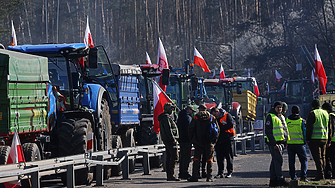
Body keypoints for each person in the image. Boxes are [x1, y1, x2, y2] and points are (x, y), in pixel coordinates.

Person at [188, 104, 218, 182]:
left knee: (196, 159)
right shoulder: (211, 117)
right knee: (209, 159)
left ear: (200, 109)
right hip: (209, 142)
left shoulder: (196, 117)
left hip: (198, 142)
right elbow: (217, 130)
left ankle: (195, 176)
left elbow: (191, 129)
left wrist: (192, 140)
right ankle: (209, 177)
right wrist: (214, 141)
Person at [265, 101, 289, 187]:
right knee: (278, 161)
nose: (279, 109)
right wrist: (273, 143)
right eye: (278, 107)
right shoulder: (270, 116)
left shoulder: (281, 116)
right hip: (275, 143)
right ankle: (280, 179)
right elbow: (268, 131)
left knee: (274, 161)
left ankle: (273, 180)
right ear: (274, 108)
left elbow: (284, 130)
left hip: (281, 142)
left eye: (280, 107)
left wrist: (285, 141)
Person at [306, 99, 331, 181]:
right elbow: (330, 128)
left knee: (317, 158)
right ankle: (323, 174)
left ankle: (320, 175)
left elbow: (309, 128)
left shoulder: (312, 114)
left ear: (312, 106)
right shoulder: (326, 114)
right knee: (323, 157)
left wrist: (308, 138)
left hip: (315, 139)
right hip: (325, 138)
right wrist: (329, 140)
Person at [158, 103, 180, 181]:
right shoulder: (166, 118)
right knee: (174, 157)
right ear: (167, 109)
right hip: (170, 140)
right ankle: (171, 174)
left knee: (169, 157)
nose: (172, 110)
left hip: (168, 140)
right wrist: (173, 138)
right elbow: (168, 129)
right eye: (171, 108)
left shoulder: (166, 117)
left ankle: (170, 175)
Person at [286, 105, 308, 182]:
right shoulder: (301, 121)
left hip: (290, 144)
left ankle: (293, 177)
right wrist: (305, 141)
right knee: (304, 160)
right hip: (300, 144)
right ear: (299, 112)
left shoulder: (287, 120)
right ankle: (303, 177)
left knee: (291, 162)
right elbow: (305, 132)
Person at [211, 107, 235, 179]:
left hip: (227, 139)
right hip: (219, 140)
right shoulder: (214, 118)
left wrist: (220, 128)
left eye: (215, 114)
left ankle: (229, 172)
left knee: (228, 156)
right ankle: (220, 172)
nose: (214, 116)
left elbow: (231, 124)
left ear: (218, 112)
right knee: (219, 157)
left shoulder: (227, 115)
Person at [177, 105, 195, 179]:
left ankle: (181, 172)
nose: (192, 113)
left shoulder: (180, 117)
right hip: (187, 140)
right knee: (187, 157)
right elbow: (189, 129)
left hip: (181, 140)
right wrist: (191, 139)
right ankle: (185, 172)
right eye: (192, 111)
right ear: (189, 110)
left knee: (182, 157)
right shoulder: (188, 118)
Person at [322, 102, 335, 179]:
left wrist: (329, 140)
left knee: (329, 157)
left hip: (332, 140)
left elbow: (331, 128)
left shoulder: (330, 116)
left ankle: (330, 173)